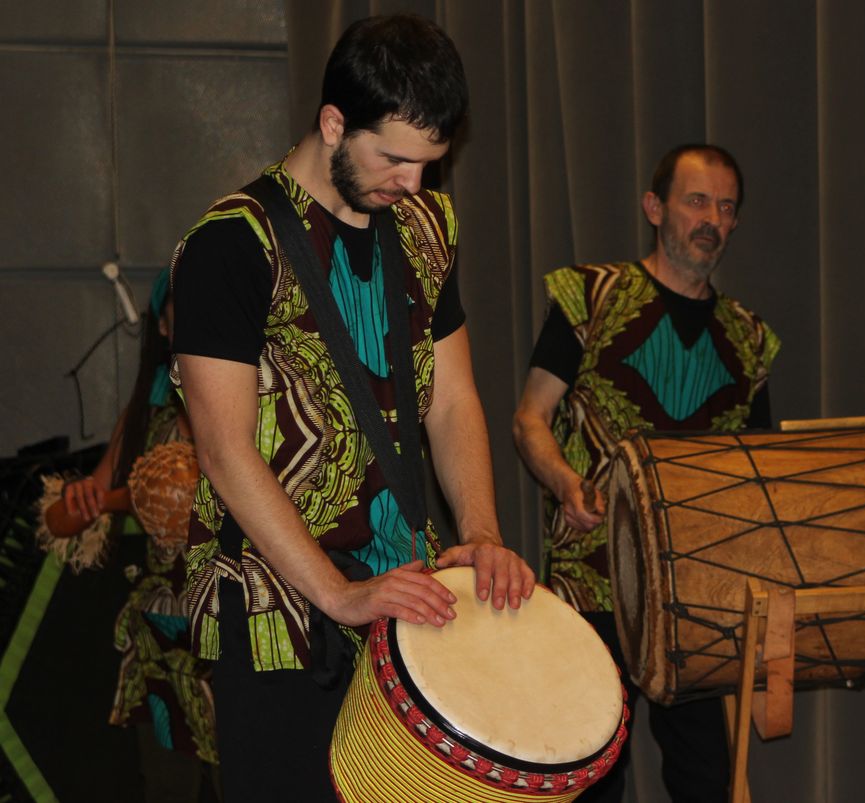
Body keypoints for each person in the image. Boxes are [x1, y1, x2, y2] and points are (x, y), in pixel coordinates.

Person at [169, 14, 535, 803]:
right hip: (275, 608)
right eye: (395, 158)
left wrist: (480, 535)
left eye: (430, 163)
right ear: (334, 122)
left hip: (403, 594)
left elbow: (453, 397)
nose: (413, 183)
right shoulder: (229, 243)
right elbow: (224, 451)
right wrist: (336, 592)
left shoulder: (428, 226)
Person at [513, 144, 780, 801]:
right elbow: (529, 420)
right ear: (655, 207)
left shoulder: (748, 339)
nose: (711, 218)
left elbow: (763, 468)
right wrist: (562, 482)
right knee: (595, 771)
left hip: (697, 590)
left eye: (726, 206)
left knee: (706, 777)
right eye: (697, 200)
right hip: (594, 576)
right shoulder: (589, 298)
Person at [39, 269, 219, 801]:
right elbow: (61, 523)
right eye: (185, 312)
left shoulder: (255, 412)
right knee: (168, 787)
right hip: (161, 643)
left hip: (240, 637)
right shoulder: (144, 417)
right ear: (163, 327)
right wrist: (82, 502)